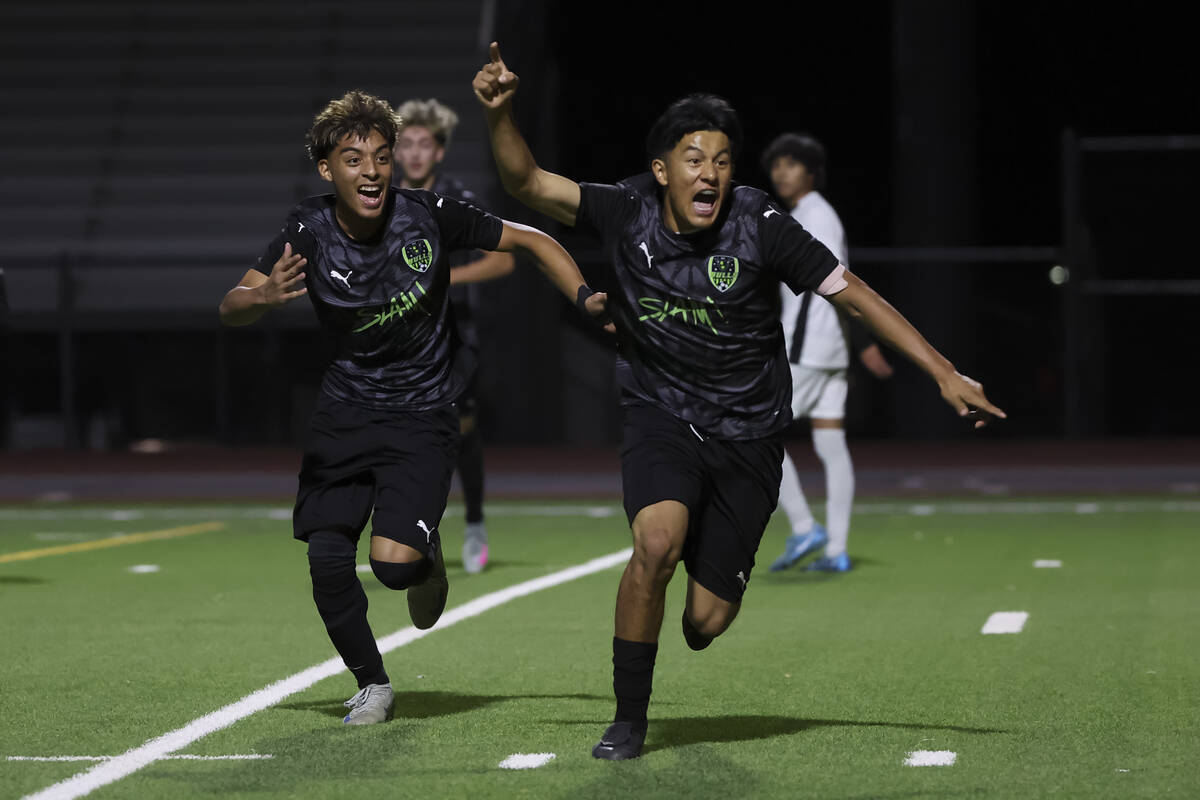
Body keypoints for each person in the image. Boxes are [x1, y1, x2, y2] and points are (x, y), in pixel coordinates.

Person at [473, 43, 1005, 761]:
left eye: (723, 160)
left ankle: (709, 554)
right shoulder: (624, 208)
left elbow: (855, 295)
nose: (712, 174)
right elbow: (528, 181)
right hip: (661, 415)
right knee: (653, 546)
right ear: (662, 170)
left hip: (751, 438)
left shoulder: (761, 226)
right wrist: (502, 112)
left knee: (705, 622)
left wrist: (942, 371)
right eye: (695, 159)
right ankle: (629, 720)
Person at [218, 90, 608, 726]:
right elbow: (230, 304)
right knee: (325, 557)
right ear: (327, 170)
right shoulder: (305, 229)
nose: (371, 171)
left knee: (393, 571)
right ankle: (373, 684)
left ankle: (424, 558)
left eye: (381, 156)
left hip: (423, 414)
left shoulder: (428, 215)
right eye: (353, 159)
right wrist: (262, 296)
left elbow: (533, 239)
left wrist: (587, 296)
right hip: (344, 413)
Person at [762, 132, 893, 575]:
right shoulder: (814, 214)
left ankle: (803, 526)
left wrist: (864, 342)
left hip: (809, 349)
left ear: (811, 172)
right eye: (777, 164)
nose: (782, 171)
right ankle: (836, 549)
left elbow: (840, 285)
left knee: (753, 431)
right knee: (830, 445)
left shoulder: (814, 216)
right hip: (828, 350)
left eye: (792, 164)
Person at [393, 97, 515, 575]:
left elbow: (503, 258)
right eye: (408, 144)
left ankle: (476, 524)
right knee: (405, 434)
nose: (416, 153)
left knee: (460, 435)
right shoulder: (379, 199)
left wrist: (443, 280)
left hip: (453, 338)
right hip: (398, 338)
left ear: (439, 152)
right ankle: (419, 530)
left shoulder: (458, 200)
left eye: (425, 144)